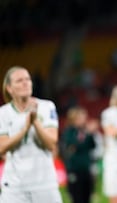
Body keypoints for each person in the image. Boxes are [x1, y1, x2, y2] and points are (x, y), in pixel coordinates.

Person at [0, 66, 62, 203]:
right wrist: (25, 129)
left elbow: (51, 142)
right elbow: (1, 147)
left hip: (45, 183)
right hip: (14, 187)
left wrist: (35, 122)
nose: (25, 83)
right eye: (19, 80)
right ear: (9, 88)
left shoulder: (47, 106)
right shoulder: (3, 113)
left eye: (28, 79)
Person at [60, 106, 96, 203]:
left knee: (87, 197)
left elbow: (92, 145)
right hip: (74, 169)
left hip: (86, 168)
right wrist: (87, 134)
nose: (84, 120)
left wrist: (90, 134)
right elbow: (73, 146)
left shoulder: (84, 131)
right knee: (77, 197)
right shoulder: (69, 132)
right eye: (81, 118)